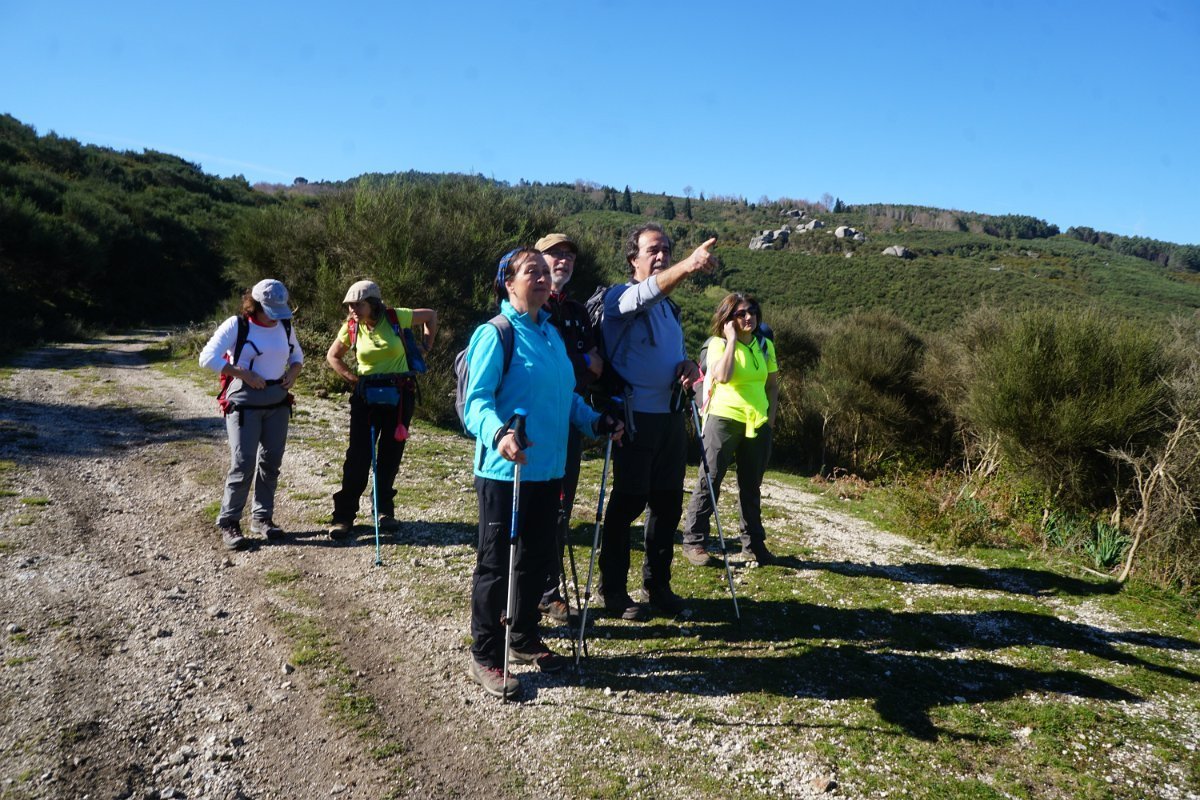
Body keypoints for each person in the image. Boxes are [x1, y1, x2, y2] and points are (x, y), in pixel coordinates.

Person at [461, 248, 621, 699]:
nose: (543, 277)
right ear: (508, 282)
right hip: (505, 471)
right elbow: (476, 402)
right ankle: (485, 654)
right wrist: (499, 435)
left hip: (549, 470)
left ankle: (524, 636)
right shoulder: (496, 333)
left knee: (535, 560)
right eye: (531, 271)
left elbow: (566, 398)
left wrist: (596, 421)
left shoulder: (551, 334)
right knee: (497, 564)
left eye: (545, 272)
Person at [597, 223, 717, 620]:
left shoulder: (670, 308)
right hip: (635, 419)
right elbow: (647, 292)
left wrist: (687, 365)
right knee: (628, 503)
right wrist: (689, 264)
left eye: (666, 248)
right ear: (633, 258)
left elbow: (675, 357)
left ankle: (658, 586)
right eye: (653, 250)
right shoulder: (620, 297)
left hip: (670, 417)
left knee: (667, 505)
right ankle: (614, 590)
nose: (662, 255)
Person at [326, 280, 438, 540]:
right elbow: (333, 356)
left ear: (373, 303)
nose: (353, 310)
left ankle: (384, 511)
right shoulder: (351, 327)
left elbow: (431, 315)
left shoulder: (396, 316)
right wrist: (353, 379)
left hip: (399, 394)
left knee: (390, 454)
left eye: (358, 304)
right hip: (365, 396)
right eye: (350, 305)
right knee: (358, 457)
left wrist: (426, 346)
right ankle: (343, 516)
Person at [199, 279, 304, 551]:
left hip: (278, 403)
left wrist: (293, 373)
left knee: (271, 462)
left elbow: (297, 356)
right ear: (255, 304)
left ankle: (262, 518)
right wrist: (243, 373)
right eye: (270, 311)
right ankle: (229, 521)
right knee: (243, 463)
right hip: (244, 405)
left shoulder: (285, 325)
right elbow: (207, 357)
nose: (275, 317)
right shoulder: (237, 325)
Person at [533, 233, 604, 623]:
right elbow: (545, 363)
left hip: (571, 421)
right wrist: (578, 360)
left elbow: (597, 366)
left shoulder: (578, 311)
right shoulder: (529, 305)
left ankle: (548, 592)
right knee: (527, 508)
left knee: (560, 508)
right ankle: (519, 595)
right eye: (555, 254)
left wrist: (577, 362)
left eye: (570, 256)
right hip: (533, 423)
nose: (564, 260)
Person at [683, 293, 780, 566]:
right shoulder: (718, 344)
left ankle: (753, 545)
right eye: (741, 313)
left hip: (757, 422)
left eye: (752, 311)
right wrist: (732, 340)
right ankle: (694, 542)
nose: (749, 317)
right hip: (723, 419)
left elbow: (772, 385)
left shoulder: (765, 345)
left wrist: (770, 421)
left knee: (751, 485)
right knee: (710, 479)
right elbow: (723, 376)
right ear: (728, 319)